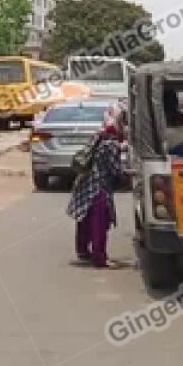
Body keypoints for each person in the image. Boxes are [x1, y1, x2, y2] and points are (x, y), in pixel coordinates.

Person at [66, 110, 124, 269]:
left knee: (85, 220)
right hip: (99, 187)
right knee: (99, 223)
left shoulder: (98, 137)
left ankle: (83, 251)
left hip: (85, 184)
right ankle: (100, 257)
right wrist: (128, 173)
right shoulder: (112, 144)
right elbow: (115, 170)